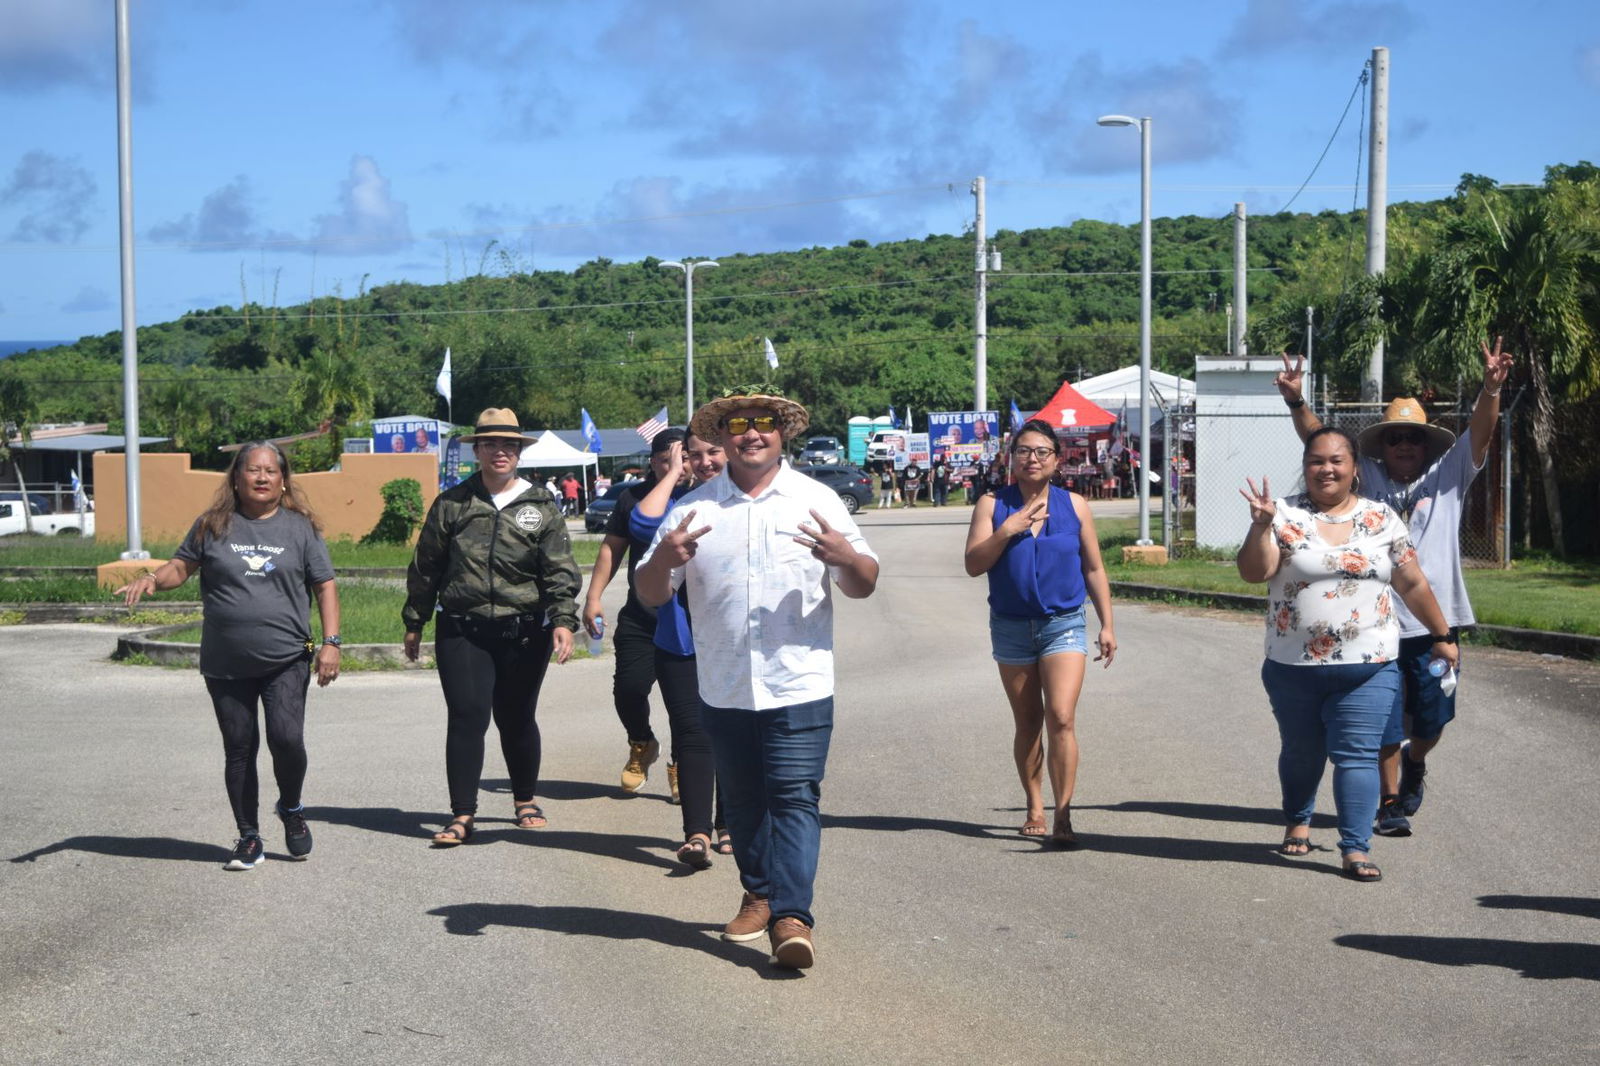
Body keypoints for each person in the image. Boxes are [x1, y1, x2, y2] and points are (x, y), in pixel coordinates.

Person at [636, 385, 879, 971]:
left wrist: (845, 557)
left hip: (799, 682)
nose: (752, 432)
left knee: (794, 798)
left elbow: (866, 580)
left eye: (764, 422)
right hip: (723, 683)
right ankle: (759, 893)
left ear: (781, 433)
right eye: (739, 424)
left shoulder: (816, 499)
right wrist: (665, 559)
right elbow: (648, 594)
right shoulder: (695, 510)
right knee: (743, 803)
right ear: (721, 437)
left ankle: (793, 917)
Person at [1275, 338, 1511, 836]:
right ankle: (1389, 804)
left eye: (1414, 438)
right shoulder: (1368, 481)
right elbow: (1323, 441)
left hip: (1431, 622)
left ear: (1427, 445)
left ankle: (1416, 763)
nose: (1405, 445)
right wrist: (1297, 400)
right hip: (1376, 627)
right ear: (1380, 449)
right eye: (1395, 438)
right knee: (1382, 724)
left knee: (1430, 722)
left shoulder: (1450, 475)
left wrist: (1490, 389)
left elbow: (1481, 434)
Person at [1236, 427, 1460, 883]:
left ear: (1355, 468)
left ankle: (1355, 848)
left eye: (1337, 460)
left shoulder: (1382, 519)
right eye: (1317, 460)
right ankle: (1298, 818)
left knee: (1357, 754)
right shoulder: (1280, 514)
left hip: (1369, 665)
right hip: (1292, 666)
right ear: (1305, 467)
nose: (1327, 469)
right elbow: (1254, 572)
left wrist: (1442, 633)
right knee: (1301, 752)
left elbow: (1412, 583)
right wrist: (1261, 526)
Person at [115, 442, 341, 871]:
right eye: (252, 470)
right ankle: (249, 837)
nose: (261, 478)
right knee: (239, 748)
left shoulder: (300, 528)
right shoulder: (213, 525)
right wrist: (151, 577)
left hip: (290, 655)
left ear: (283, 479)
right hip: (225, 663)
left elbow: (325, 585)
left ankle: (291, 807)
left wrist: (331, 642)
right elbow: (180, 567)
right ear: (236, 479)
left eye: (270, 471)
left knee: (286, 739)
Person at [402, 408, 581, 846]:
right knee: (467, 717)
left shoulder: (541, 505)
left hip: (523, 630)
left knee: (517, 716)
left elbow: (558, 569)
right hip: (462, 628)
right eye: (490, 444)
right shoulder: (453, 503)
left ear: (519, 452)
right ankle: (462, 814)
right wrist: (415, 620)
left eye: (509, 445)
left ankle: (524, 800)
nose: (500, 452)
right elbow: (427, 566)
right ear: (476, 450)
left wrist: (562, 620)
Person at [963, 419, 1116, 848]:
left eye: (1042, 452)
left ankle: (1063, 813)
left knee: (1061, 717)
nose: (1033, 459)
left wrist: (1107, 624)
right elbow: (974, 564)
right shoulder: (992, 504)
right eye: (1024, 451)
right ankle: (1035, 805)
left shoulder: (1075, 505)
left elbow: (1093, 567)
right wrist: (1007, 530)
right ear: (1011, 459)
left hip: (1062, 623)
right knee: (1028, 721)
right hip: (1011, 627)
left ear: (1056, 459)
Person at [627, 430, 731, 866]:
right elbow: (640, 524)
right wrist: (671, 474)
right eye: (694, 455)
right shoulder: (681, 502)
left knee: (733, 731)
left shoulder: (748, 499)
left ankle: (729, 823)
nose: (704, 463)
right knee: (691, 732)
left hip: (731, 639)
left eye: (713, 453)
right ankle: (696, 834)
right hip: (681, 636)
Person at [583, 429, 687, 795]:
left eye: (685, 458)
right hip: (642, 616)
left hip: (691, 622)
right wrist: (593, 597)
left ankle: (682, 764)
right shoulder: (633, 498)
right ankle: (641, 742)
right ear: (653, 462)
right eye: (668, 460)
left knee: (684, 704)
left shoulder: (703, 496)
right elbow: (613, 549)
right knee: (629, 689)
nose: (678, 466)